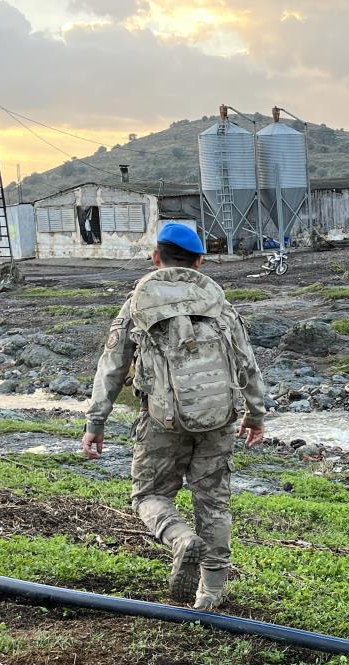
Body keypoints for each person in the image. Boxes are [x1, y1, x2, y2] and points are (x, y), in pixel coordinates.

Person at [81, 223, 266, 611]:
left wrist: (96, 422)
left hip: (160, 422)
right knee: (213, 503)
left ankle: (180, 537)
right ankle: (209, 594)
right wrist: (255, 414)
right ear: (199, 262)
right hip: (219, 420)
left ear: (155, 259)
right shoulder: (219, 304)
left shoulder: (138, 303)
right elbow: (245, 362)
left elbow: (112, 366)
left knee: (149, 495)